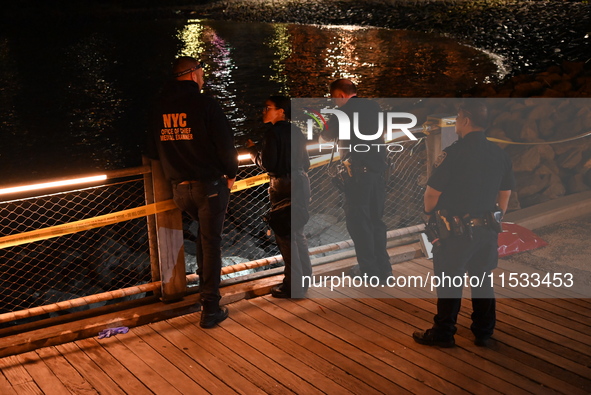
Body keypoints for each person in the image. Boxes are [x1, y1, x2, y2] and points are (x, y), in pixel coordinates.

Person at [145, 56, 238, 328]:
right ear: (193, 73)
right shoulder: (206, 104)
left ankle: (203, 294)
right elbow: (226, 146)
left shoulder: (158, 108)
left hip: (179, 190)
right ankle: (210, 308)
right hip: (208, 187)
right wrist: (230, 176)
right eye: (201, 70)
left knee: (203, 238)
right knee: (211, 244)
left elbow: (152, 152)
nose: (203, 75)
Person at [413, 101, 515, 347]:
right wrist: (495, 215)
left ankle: (444, 332)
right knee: (482, 280)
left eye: (458, 118)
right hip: (487, 229)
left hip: (456, 232)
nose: (456, 123)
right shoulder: (499, 153)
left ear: (466, 120)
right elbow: (505, 194)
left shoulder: (454, 153)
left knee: (449, 281)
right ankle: (483, 331)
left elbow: (431, 193)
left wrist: (429, 214)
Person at [320, 79, 392, 284]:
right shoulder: (374, 106)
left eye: (334, 98)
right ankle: (384, 269)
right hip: (378, 171)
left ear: (341, 95)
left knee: (359, 224)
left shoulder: (342, 113)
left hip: (358, 175)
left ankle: (370, 272)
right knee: (376, 221)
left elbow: (325, 136)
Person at [247, 95, 312, 298]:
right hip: (302, 181)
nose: (263, 111)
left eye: (268, 108)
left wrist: (251, 151)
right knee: (298, 233)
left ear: (281, 111)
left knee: (285, 236)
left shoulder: (272, 134)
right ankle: (305, 278)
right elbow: (307, 161)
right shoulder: (297, 131)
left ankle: (293, 286)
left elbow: (267, 163)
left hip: (282, 185)